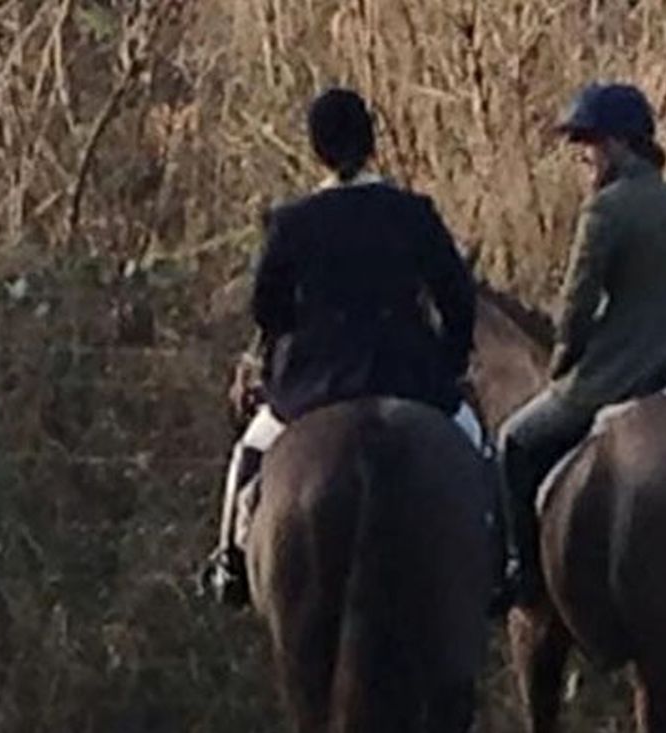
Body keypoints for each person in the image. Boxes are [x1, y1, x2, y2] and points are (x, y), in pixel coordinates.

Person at [203, 87, 478, 608]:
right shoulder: (413, 213)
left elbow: (267, 308)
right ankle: (502, 556)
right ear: (371, 143)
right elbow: (457, 297)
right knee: (475, 440)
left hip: (314, 383)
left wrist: (291, 349)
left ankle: (229, 563)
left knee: (251, 451)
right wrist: (450, 360)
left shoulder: (293, 221)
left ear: (316, 149)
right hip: (409, 375)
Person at [498, 82, 666, 606]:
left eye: (592, 142)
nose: (584, 154)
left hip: (624, 363)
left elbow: (578, 303)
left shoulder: (605, 210)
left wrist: (563, 362)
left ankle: (525, 578)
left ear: (623, 143)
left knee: (515, 440)